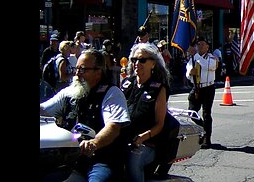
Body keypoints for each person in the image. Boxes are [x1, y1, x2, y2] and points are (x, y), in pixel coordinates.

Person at [40, 48, 130, 181]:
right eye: (76, 69)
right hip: (71, 160)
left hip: (100, 159)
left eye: (83, 69)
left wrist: (94, 143)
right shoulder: (70, 93)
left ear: (98, 72)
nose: (77, 74)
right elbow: (43, 110)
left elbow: (113, 127)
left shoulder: (111, 93)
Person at [119, 42, 171, 182]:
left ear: (153, 64)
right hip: (123, 138)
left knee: (134, 159)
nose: (137, 63)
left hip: (147, 143)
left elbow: (160, 124)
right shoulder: (126, 83)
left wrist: (142, 137)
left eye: (142, 60)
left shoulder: (159, 88)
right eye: (134, 60)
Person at [186, 36, 217, 149]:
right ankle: (203, 128)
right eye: (198, 44)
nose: (200, 46)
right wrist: (190, 73)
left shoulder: (211, 58)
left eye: (203, 44)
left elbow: (208, 66)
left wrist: (196, 55)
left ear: (207, 47)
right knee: (191, 112)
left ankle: (207, 138)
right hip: (197, 87)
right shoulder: (193, 58)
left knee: (206, 113)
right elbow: (188, 70)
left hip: (208, 88)